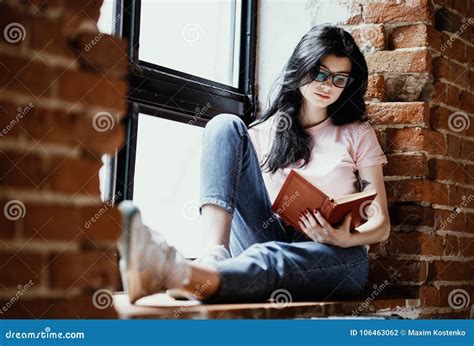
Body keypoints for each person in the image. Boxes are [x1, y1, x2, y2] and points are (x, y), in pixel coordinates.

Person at [117, 23, 390, 305]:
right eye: (319, 72)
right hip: (267, 238)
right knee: (225, 125)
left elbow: (381, 222)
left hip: (333, 254)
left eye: (339, 79)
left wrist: (343, 238)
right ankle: (212, 256)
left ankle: (178, 273)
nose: (326, 85)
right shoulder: (263, 132)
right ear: (300, 67)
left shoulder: (357, 134)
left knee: (276, 258)